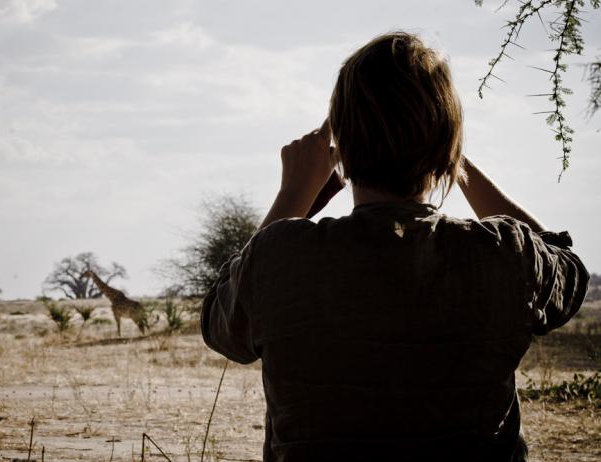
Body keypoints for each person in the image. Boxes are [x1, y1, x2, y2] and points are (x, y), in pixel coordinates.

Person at [200, 31, 589, 462]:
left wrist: (293, 194)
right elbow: (567, 271)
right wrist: (453, 156)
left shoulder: (281, 257)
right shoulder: (504, 254)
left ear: (340, 148)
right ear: (447, 147)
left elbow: (225, 330)